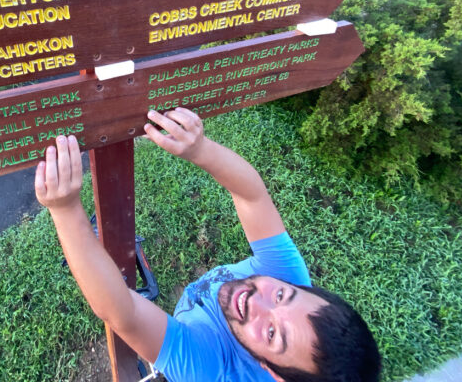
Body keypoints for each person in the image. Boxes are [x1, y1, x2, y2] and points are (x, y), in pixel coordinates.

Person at [34, 108, 381, 382]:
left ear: (274, 374)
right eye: (282, 296)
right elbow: (252, 197)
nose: (257, 300)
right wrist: (201, 149)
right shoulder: (291, 278)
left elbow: (122, 312)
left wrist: (65, 212)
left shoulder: (211, 368)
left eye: (272, 333)